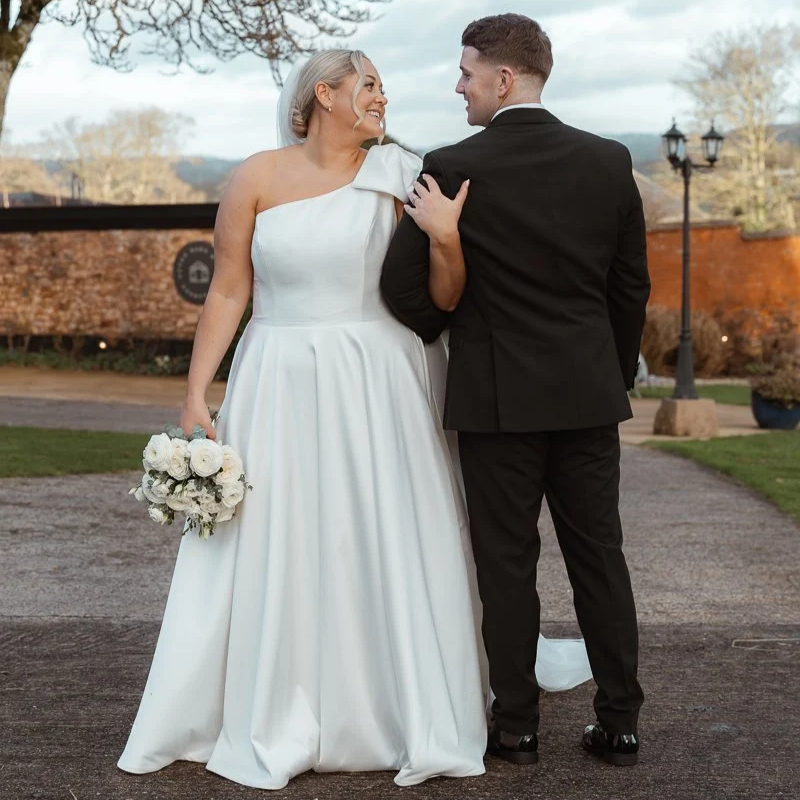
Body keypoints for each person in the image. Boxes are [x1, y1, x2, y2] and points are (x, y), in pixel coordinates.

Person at [118, 48, 590, 791]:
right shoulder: (255, 177)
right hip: (276, 376)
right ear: (325, 95)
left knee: (384, 530)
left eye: (381, 87)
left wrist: (446, 237)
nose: (382, 98)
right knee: (283, 536)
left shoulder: (405, 174)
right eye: (368, 86)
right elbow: (229, 292)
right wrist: (194, 393)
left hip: (381, 378)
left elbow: (442, 296)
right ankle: (271, 702)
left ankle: (399, 704)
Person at [382, 14, 650, 769]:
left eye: (466, 71)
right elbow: (630, 288)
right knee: (600, 555)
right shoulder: (608, 162)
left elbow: (404, 292)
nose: (456, 84)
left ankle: (517, 728)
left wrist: (457, 325)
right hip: (587, 394)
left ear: (504, 79)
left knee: (505, 565)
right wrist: (608, 366)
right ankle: (620, 723)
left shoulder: (451, 165)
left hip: (496, 398)